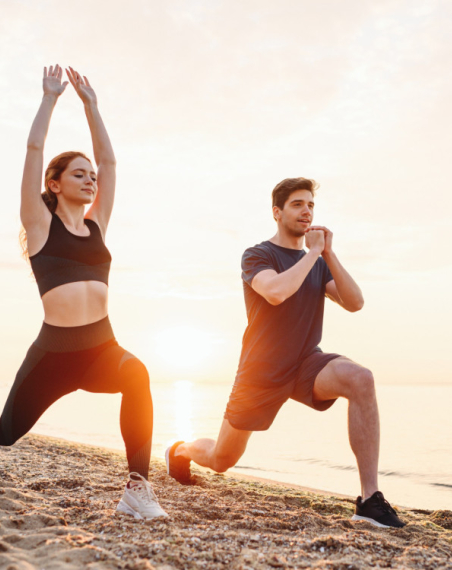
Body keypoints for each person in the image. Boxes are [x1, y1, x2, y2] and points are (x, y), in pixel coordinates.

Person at [0, 65, 166, 520]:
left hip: (101, 348)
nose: (91, 179)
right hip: (53, 355)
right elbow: (35, 148)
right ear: (54, 185)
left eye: (91, 176)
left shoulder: (97, 224)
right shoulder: (39, 227)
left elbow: (111, 163)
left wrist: (93, 106)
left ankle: (137, 490)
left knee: (137, 375)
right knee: (4, 432)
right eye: (79, 174)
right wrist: (50, 98)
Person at [165, 177, 405, 528]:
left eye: (311, 205)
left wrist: (329, 254)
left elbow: (355, 303)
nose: (306, 211)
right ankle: (180, 449)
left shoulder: (319, 262)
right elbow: (276, 292)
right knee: (221, 458)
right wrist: (312, 253)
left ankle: (369, 500)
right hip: (260, 372)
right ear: (277, 212)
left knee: (361, 378)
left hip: (306, 362)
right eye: (297, 204)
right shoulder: (258, 255)